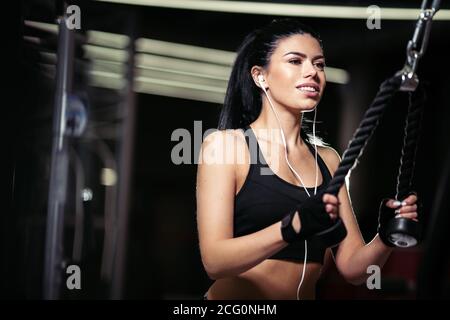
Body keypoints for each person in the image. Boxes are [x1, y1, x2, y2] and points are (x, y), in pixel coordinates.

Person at [195, 18, 419, 300]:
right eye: (295, 61)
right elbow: (215, 261)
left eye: (319, 64)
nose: (312, 72)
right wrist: (290, 228)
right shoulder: (226, 147)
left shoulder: (328, 160)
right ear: (260, 76)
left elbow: (352, 268)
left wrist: (385, 237)